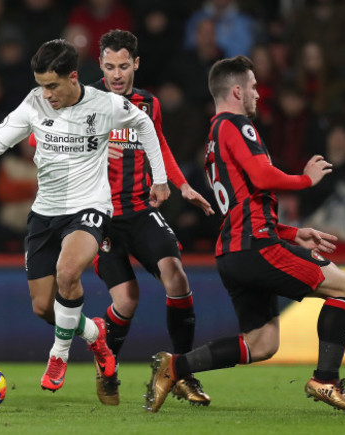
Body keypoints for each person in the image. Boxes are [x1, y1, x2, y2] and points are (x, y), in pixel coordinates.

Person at [144, 55, 345, 415]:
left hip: (235, 252)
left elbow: (244, 204)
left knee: (261, 344)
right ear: (236, 90)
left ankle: (175, 367)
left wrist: (293, 233)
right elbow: (263, 177)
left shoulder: (214, 138)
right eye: (252, 86)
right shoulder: (236, 126)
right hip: (257, 247)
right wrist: (304, 179)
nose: (258, 94)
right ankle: (326, 380)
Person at [0, 39, 170, 392]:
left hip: (89, 207)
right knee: (43, 307)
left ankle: (59, 355)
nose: (46, 93)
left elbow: (144, 125)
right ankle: (96, 335)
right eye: (41, 85)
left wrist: (159, 178)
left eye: (52, 85)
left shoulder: (105, 105)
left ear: (72, 77)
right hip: (45, 213)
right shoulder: (35, 103)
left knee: (68, 272)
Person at [89, 29, 214, 406]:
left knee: (176, 275)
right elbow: (42, 146)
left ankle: (181, 371)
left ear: (136, 64)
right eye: (109, 66)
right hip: (101, 217)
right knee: (127, 300)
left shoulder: (148, 104)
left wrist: (182, 184)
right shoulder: (84, 102)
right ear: (100, 65)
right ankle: (106, 370)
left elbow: (158, 144)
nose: (116, 74)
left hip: (141, 211)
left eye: (123, 66)